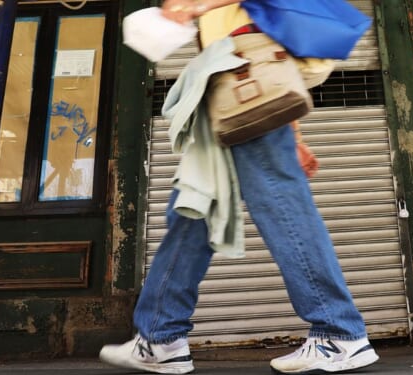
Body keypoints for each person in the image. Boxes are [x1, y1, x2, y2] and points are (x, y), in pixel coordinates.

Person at [99, 0, 379, 374]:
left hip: (243, 81)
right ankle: (160, 337)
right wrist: (292, 133)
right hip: (230, 90)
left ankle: (338, 332)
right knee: (192, 208)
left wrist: (194, 5)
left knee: (281, 205)